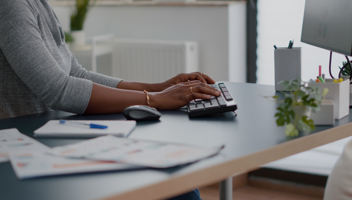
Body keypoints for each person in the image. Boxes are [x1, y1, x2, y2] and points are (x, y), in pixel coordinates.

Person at [0, 0, 220, 199]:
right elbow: (58, 88)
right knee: (181, 194)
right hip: (27, 157)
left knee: (181, 186)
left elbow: (76, 73)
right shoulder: (11, 6)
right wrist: (154, 99)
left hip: (55, 140)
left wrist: (158, 88)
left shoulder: (39, 4)